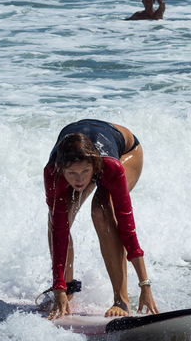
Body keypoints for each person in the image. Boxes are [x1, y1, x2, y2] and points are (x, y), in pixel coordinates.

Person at [43, 119, 158, 320]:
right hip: (81, 155)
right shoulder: (53, 173)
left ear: (94, 167)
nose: (79, 180)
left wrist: (145, 286)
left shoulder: (111, 167)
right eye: (72, 174)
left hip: (126, 151)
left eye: (85, 173)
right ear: (62, 170)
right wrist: (58, 288)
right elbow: (58, 232)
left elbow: (127, 229)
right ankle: (66, 291)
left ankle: (121, 300)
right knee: (57, 220)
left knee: (101, 210)